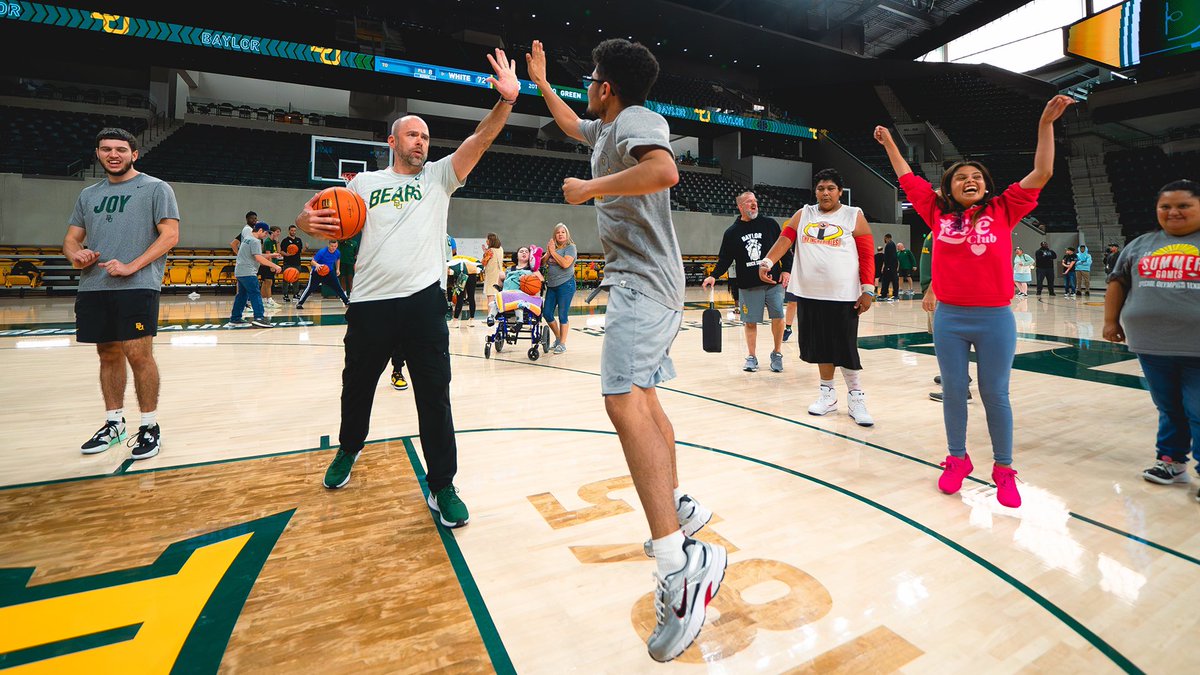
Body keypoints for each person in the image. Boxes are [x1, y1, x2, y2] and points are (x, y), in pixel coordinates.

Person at [527, 38, 725, 662]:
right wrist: (540, 81)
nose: (586, 87)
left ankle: (677, 567)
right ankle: (680, 510)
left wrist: (589, 190)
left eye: (589, 79)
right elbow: (570, 121)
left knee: (620, 401)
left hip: (644, 285)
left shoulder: (637, 120)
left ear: (607, 87)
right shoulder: (606, 127)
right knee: (641, 399)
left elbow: (664, 170)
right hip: (646, 287)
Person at [297, 47, 521, 530]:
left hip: (423, 302)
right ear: (392, 140)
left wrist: (505, 102)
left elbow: (480, 139)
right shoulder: (361, 184)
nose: (421, 141)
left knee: (435, 396)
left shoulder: (441, 177)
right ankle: (348, 450)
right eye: (412, 135)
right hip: (371, 303)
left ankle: (442, 484)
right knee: (356, 388)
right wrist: (304, 221)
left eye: (425, 136)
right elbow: (314, 216)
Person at [875, 94, 1075, 509]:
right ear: (947, 187)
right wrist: (891, 144)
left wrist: (1045, 124)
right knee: (953, 391)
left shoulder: (1004, 210)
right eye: (960, 176)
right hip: (950, 317)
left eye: (977, 176)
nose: (970, 180)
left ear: (986, 185)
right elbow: (906, 177)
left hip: (995, 319)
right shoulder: (937, 215)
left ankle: (1004, 469)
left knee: (995, 394)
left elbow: (1043, 171)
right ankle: (957, 459)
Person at [64, 127, 179, 461]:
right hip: (95, 284)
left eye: (120, 149)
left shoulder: (156, 188)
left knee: (138, 354)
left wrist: (132, 265)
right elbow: (71, 239)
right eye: (105, 149)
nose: (113, 154)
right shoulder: (88, 195)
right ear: (98, 154)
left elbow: (170, 235)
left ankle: (149, 426)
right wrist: (76, 254)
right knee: (107, 354)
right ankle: (114, 423)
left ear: (134, 153)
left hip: (137, 285)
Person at [1103, 179, 1200, 501]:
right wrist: (1110, 321)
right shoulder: (1141, 244)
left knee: (1197, 408)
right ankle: (1171, 462)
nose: (1173, 212)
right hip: (1152, 344)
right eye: (1165, 206)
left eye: (1183, 205)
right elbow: (1118, 281)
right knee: (1169, 407)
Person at [759, 168, 876, 426]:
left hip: (845, 295)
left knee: (845, 348)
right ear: (815, 191)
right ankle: (828, 395)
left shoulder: (853, 216)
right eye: (821, 188)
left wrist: (868, 289)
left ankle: (856, 398)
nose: (825, 193)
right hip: (810, 295)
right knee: (821, 347)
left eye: (830, 188)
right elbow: (784, 240)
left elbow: (867, 255)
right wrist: (767, 261)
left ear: (839, 192)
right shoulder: (803, 214)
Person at [703, 191, 791, 373]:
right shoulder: (732, 232)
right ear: (740, 206)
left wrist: (786, 269)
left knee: (778, 318)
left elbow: (784, 249)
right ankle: (751, 356)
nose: (754, 204)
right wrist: (714, 275)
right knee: (750, 322)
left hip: (773, 282)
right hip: (748, 285)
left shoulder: (770, 224)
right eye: (749, 202)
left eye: (755, 201)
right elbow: (725, 259)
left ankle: (777, 353)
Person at [230, 222, 281, 328]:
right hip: (248, 272)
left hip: (240, 271)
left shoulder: (247, 238)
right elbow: (258, 258)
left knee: (242, 295)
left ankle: (235, 318)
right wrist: (275, 266)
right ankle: (259, 318)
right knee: (255, 293)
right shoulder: (255, 241)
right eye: (266, 233)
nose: (266, 235)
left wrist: (271, 255)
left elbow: (255, 254)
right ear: (260, 230)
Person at [544, 223, 577, 353]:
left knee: (563, 315)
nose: (560, 234)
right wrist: (548, 252)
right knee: (547, 313)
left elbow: (565, 263)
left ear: (567, 234)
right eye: (558, 232)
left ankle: (562, 344)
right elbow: (541, 263)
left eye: (563, 232)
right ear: (555, 235)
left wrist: (553, 252)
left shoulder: (570, 248)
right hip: (551, 285)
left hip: (566, 284)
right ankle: (558, 338)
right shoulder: (553, 249)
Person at [294, 240, 350, 309]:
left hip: (329, 272)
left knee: (338, 287)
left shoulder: (337, 252)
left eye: (335, 246)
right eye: (332, 246)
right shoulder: (322, 252)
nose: (333, 248)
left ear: (337, 246)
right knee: (310, 288)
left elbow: (337, 259)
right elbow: (312, 262)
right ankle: (299, 303)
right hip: (317, 272)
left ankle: (346, 302)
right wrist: (317, 265)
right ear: (328, 245)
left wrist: (338, 269)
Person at [482, 232, 504, 324]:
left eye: (487, 239)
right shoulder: (500, 249)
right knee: (497, 295)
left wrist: (484, 253)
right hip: (498, 274)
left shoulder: (490, 250)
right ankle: (497, 315)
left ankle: (490, 317)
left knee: (490, 296)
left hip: (491, 275)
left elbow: (484, 262)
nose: (486, 241)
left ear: (490, 240)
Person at [259, 224, 283, 308]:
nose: (279, 233)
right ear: (272, 232)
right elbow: (268, 254)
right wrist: (271, 266)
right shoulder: (268, 241)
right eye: (277, 232)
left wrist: (277, 242)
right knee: (268, 282)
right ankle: (269, 299)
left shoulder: (274, 242)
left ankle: (263, 300)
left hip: (273, 263)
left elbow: (279, 252)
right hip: (267, 264)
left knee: (265, 282)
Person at [279, 225, 305, 302]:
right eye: (292, 230)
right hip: (288, 262)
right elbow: (281, 251)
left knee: (296, 279)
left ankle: (295, 294)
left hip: (297, 262)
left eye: (294, 230)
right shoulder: (285, 241)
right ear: (289, 231)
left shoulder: (299, 240)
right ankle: (285, 295)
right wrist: (286, 254)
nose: (293, 232)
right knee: (286, 279)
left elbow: (300, 252)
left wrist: (305, 248)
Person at [880, 233, 899, 301]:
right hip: (890, 266)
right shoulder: (890, 244)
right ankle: (884, 294)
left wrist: (888, 266)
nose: (884, 240)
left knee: (893, 280)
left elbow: (891, 256)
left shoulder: (890, 244)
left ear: (887, 238)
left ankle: (895, 295)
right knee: (886, 280)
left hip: (890, 266)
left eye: (884, 238)